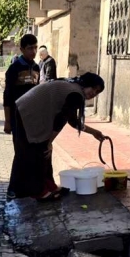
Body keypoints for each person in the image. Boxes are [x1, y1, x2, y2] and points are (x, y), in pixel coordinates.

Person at [7, 73, 106, 202]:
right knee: (36, 153)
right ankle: (37, 191)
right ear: (86, 84)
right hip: (28, 112)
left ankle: (49, 186)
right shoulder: (75, 94)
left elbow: (72, 120)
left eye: (97, 92)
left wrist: (93, 132)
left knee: (42, 152)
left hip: (29, 109)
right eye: (93, 89)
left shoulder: (74, 88)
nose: (94, 93)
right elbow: (60, 121)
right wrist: (49, 142)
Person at [3, 34, 40, 136]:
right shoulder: (14, 68)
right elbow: (7, 96)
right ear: (22, 49)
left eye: (35, 48)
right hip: (17, 116)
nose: (34, 52)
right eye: (30, 48)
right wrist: (7, 121)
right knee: (20, 150)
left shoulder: (36, 68)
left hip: (32, 116)